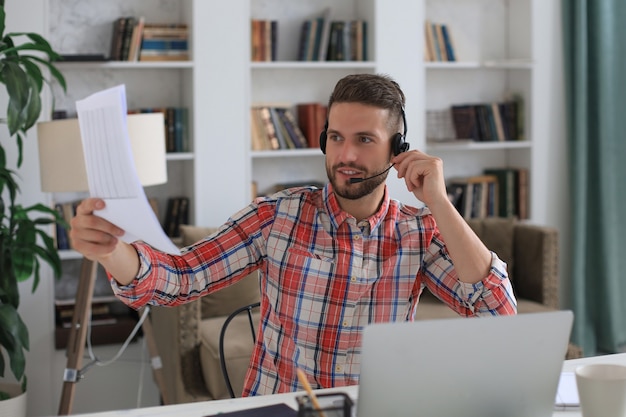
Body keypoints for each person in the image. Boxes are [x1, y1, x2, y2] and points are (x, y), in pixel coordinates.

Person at [70, 73, 517, 396]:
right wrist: (112, 251)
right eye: (336, 137)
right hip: (279, 407)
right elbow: (182, 277)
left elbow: (497, 313)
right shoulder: (278, 216)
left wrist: (439, 202)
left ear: (397, 150)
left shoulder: (418, 231)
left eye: (364, 139)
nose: (345, 154)